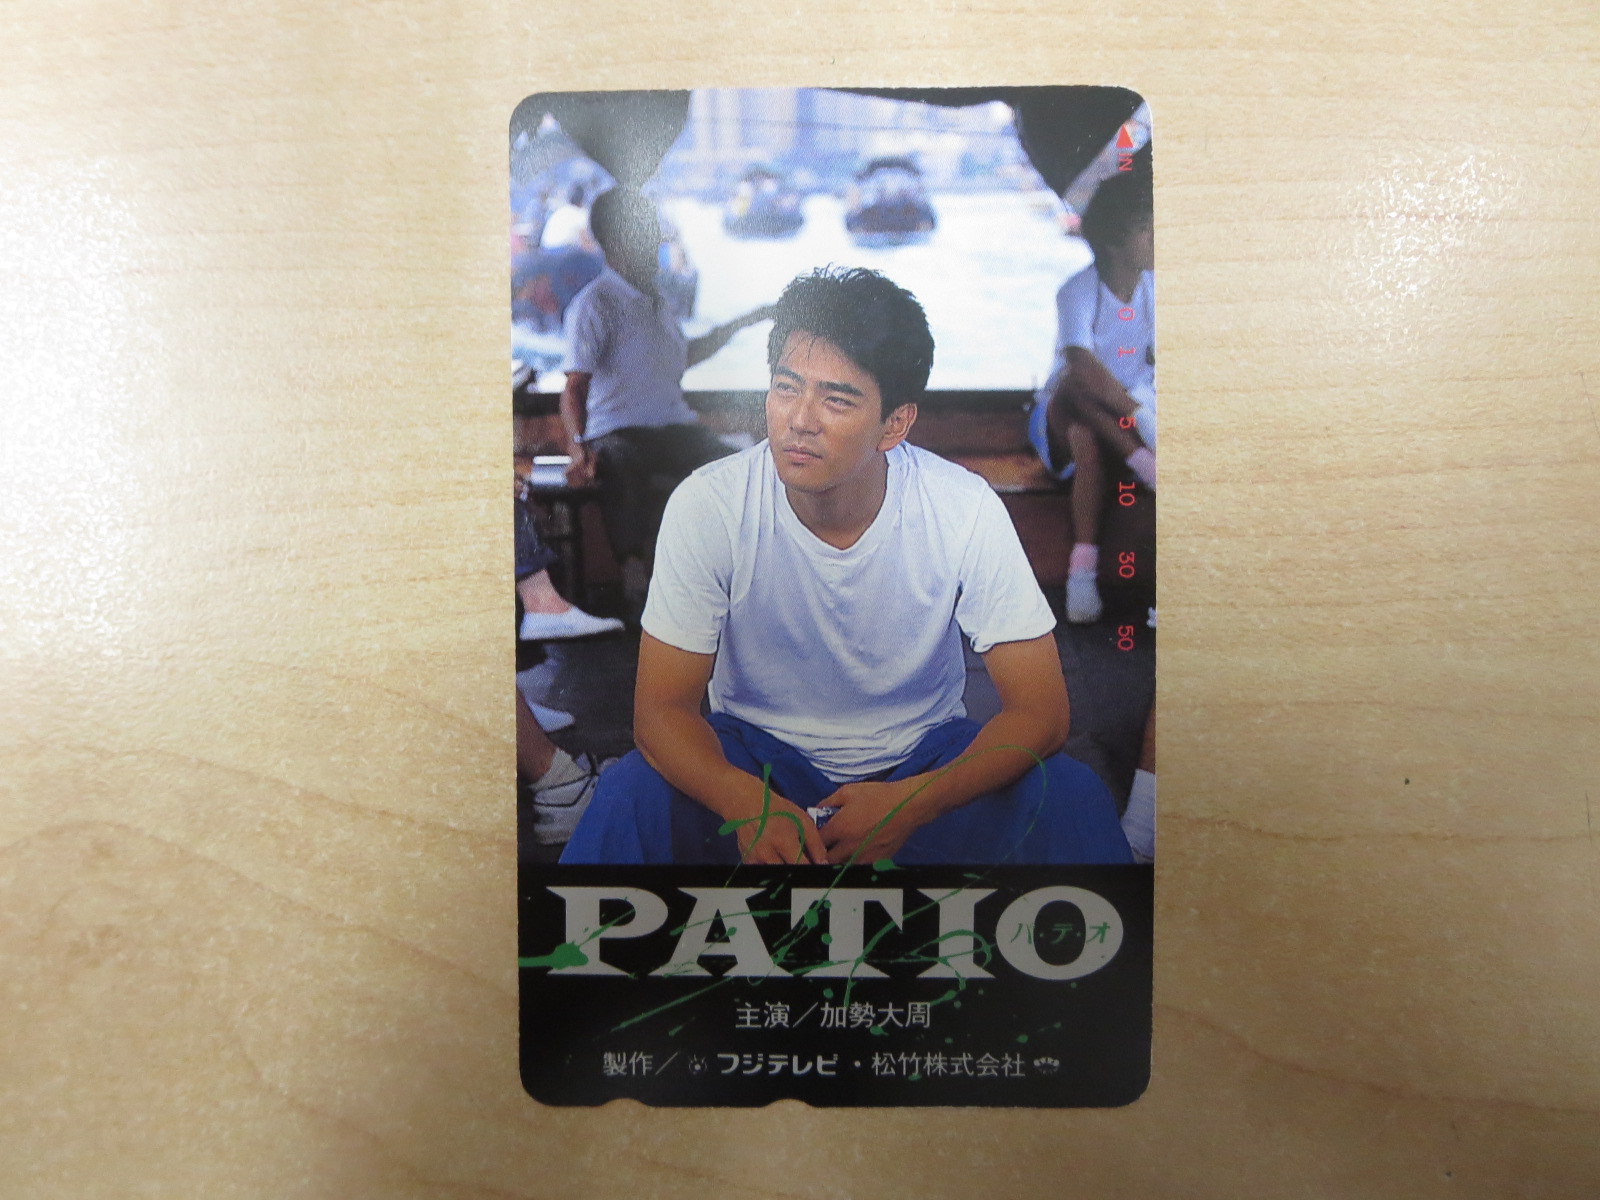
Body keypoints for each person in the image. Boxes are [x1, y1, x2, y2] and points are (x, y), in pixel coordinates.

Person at [561, 267, 1132, 866]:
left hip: (921, 763)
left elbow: (1042, 712)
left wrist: (911, 803)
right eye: (786, 387)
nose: (800, 420)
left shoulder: (961, 506)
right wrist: (743, 801)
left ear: (895, 425)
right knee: (631, 791)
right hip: (755, 762)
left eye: (836, 399)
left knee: (1068, 793)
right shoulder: (710, 503)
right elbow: (661, 710)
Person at [559, 187, 774, 610]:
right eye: (647, 231)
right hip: (618, 433)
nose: (657, 239)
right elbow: (574, 387)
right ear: (619, 239)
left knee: (741, 468)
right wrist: (578, 447)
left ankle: (739, 584)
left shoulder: (658, 301)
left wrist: (743, 322)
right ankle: (635, 578)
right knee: (623, 466)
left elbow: (682, 356)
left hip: (674, 429)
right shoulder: (595, 303)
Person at [1030, 169, 1156, 624]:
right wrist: (1141, 418)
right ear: (1115, 242)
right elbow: (1080, 365)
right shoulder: (1078, 291)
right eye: (1147, 230)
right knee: (1074, 384)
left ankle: (1082, 574)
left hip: (1112, 423)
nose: (1159, 238)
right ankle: (1147, 463)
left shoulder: (1154, 289)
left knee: (1088, 437)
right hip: (1062, 417)